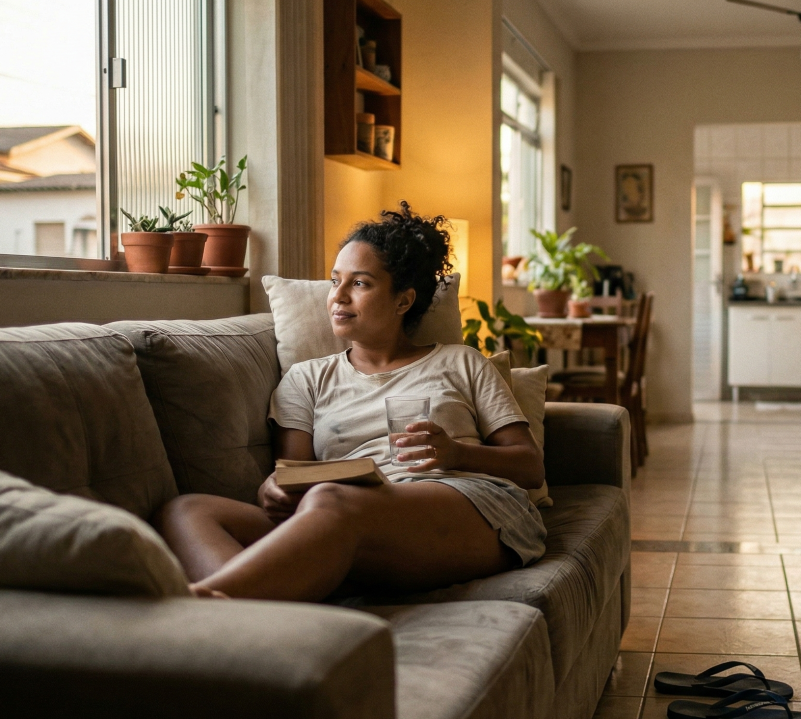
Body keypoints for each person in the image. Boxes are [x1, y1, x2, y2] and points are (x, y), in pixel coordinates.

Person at [156, 203, 547, 601]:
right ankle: (248, 610)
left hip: (466, 505)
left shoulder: (461, 362)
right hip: (339, 516)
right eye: (334, 281)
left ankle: (205, 600)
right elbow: (293, 474)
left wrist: (455, 453)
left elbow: (529, 467)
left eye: (359, 284)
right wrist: (271, 489)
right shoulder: (306, 378)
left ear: (403, 301)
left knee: (331, 499)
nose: (338, 297)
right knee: (186, 511)